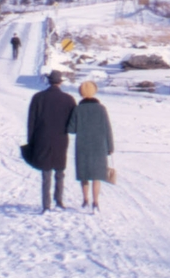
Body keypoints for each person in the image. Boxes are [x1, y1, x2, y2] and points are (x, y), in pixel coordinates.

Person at [27, 70, 76, 212]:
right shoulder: (68, 99)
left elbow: (31, 122)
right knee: (60, 171)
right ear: (60, 82)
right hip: (61, 139)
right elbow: (73, 122)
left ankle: (46, 204)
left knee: (46, 172)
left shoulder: (37, 97)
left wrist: (31, 141)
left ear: (48, 81)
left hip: (42, 138)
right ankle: (59, 199)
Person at [67, 80, 114, 212]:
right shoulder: (101, 109)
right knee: (96, 176)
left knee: (84, 174)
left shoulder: (77, 109)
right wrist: (110, 146)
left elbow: (71, 129)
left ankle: (85, 199)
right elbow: (107, 129)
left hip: (82, 145)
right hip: (99, 145)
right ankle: (95, 202)